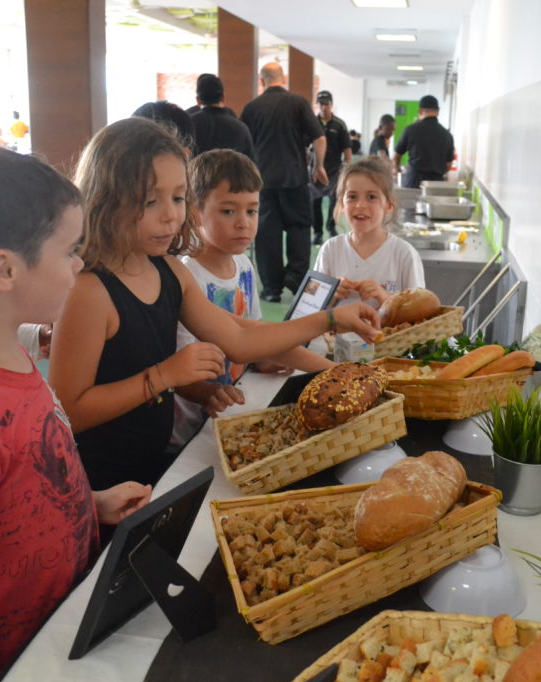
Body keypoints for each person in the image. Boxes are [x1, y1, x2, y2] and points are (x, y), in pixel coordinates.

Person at [0, 147, 153, 682]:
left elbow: (13, 493)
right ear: (4, 270)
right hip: (12, 658)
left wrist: (90, 505)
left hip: (58, 626)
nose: (80, 264)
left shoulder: (11, 356)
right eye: (68, 250)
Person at [47, 117, 379, 504]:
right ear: (106, 198)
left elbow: (239, 337)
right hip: (100, 482)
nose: (171, 215)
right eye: (151, 201)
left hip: (156, 462)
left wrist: (331, 319)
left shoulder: (167, 270)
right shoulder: (89, 290)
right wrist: (163, 375)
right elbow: (68, 410)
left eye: (178, 197)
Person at [171, 149, 335, 447]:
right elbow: (178, 371)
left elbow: (254, 335)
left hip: (236, 412)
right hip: (194, 427)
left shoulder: (245, 266)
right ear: (195, 213)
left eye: (252, 210)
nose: (243, 223)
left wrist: (262, 360)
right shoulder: (188, 276)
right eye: (228, 211)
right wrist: (207, 393)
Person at [240, 62, 327, 303]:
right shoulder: (298, 103)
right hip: (294, 178)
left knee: (267, 234)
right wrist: (318, 166)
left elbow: (243, 145)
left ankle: (271, 289)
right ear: (283, 78)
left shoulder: (252, 107)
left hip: (262, 183)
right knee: (299, 228)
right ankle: (297, 280)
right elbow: (319, 138)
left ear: (262, 81)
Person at [314, 157, 425, 306]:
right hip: (338, 330)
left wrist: (385, 297)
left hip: (386, 330)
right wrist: (330, 294)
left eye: (371, 197)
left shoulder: (404, 254)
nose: (360, 205)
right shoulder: (330, 250)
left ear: (389, 206)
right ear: (341, 204)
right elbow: (310, 307)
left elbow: (418, 312)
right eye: (352, 197)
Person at [311, 90, 352, 247]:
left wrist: (347, 170)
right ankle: (317, 233)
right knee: (315, 202)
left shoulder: (339, 124)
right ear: (318, 105)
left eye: (327, 104)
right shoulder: (312, 122)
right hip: (315, 170)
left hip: (334, 170)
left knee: (334, 200)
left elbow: (347, 149)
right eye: (321, 104)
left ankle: (331, 227)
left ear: (331, 104)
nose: (324, 107)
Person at [393, 95, 455, 189]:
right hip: (436, 185)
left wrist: (398, 170)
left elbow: (396, 157)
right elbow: (448, 165)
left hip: (413, 182)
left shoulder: (410, 130)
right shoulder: (447, 135)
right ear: (438, 112)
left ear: (420, 111)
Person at [189, 73, 256, 159]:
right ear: (223, 97)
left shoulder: (190, 126)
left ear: (198, 100)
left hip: (196, 172)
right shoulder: (240, 128)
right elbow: (250, 165)